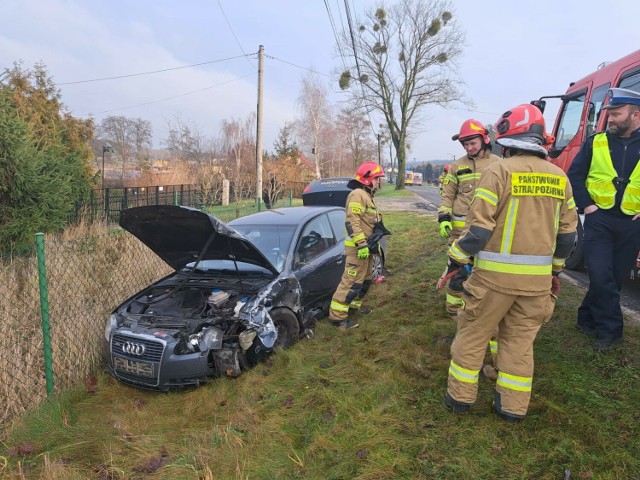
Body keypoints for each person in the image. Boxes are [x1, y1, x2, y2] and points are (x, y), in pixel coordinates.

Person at [443, 104, 578, 422]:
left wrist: (456, 259)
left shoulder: (498, 172)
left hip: (492, 282)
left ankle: (460, 399)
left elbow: (477, 231)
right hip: (537, 286)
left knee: (473, 335)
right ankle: (512, 408)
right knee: (519, 343)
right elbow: (569, 237)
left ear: (506, 136)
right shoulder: (560, 177)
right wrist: (556, 269)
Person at [567, 87, 640, 351]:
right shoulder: (595, 142)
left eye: (616, 114)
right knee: (599, 273)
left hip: (632, 224)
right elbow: (575, 176)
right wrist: (587, 206)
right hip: (599, 219)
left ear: (635, 115)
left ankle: (585, 317)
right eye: (609, 114)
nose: (610, 119)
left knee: (615, 276)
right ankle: (611, 332)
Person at [438, 120, 501, 315]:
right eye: (465, 144)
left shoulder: (499, 164)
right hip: (460, 232)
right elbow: (448, 194)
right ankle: (453, 310)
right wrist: (444, 218)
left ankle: (478, 310)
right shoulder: (457, 166)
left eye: (472, 143)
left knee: (483, 274)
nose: (469, 147)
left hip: (488, 231)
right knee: (459, 272)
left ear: (484, 139)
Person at [328, 161, 385, 329]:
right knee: (351, 282)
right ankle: (338, 318)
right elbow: (352, 221)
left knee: (365, 281)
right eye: (377, 179)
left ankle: (353, 310)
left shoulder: (367, 196)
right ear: (368, 179)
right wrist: (361, 244)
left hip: (367, 248)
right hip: (358, 249)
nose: (379, 182)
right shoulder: (357, 194)